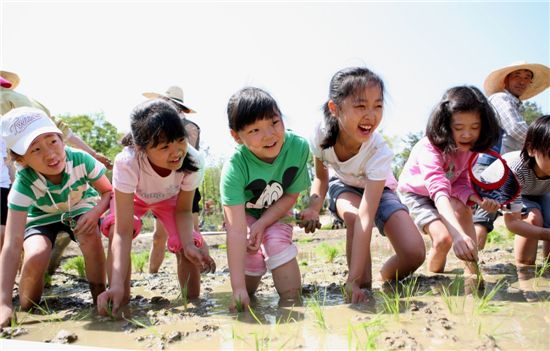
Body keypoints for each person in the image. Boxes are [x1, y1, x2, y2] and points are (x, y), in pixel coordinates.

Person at [299, 67, 425, 303]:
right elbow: (321, 178)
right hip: (344, 186)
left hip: (379, 189)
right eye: (360, 106)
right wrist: (314, 207)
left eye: (377, 106)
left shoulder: (379, 151)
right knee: (354, 220)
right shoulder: (321, 135)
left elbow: (370, 214)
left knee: (414, 253)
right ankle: (359, 280)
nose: (371, 115)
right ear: (335, 109)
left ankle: (383, 277)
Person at [96, 99, 215, 317]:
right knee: (116, 230)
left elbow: (183, 211)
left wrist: (188, 243)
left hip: (170, 199)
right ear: (141, 148)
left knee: (186, 242)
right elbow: (122, 232)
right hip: (135, 197)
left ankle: (193, 303)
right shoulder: (127, 163)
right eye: (164, 147)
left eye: (180, 140)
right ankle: (119, 296)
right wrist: (115, 284)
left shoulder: (193, 161)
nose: (176, 152)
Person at [0, 107, 111, 327]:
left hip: (81, 206)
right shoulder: (24, 184)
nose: (50, 154)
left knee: (90, 235)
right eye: (36, 149)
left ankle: (100, 294)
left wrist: (95, 212)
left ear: (61, 139)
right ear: (21, 160)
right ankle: (28, 308)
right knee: (37, 254)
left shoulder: (80, 160)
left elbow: (108, 192)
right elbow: (12, 244)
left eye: (52, 141)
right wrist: (3, 303)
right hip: (40, 216)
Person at [0, 70, 113, 274]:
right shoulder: (30, 101)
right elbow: (62, 130)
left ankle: (20, 279)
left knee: (14, 231)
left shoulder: (6, 103)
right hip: (38, 179)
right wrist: (91, 152)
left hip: (22, 174)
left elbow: (12, 154)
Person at [220, 87, 311, 311]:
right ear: (236, 136)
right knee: (250, 252)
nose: (269, 135)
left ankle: (293, 307)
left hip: (279, 209)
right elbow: (236, 230)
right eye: (255, 130)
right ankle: (246, 294)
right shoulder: (234, 167)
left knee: (277, 243)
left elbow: (291, 194)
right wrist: (237, 288)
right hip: (245, 214)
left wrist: (264, 222)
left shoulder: (298, 147)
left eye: (274, 122)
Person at [397, 86, 500, 276]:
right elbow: (438, 189)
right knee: (444, 239)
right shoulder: (430, 148)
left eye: (474, 127)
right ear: (445, 125)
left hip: (444, 192)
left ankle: (472, 272)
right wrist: (457, 235)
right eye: (459, 128)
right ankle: (435, 279)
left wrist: (478, 200)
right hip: (416, 193)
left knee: (464, 208)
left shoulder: (471, 150)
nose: (467, 134)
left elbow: (460, 181)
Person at [474, 62, 550, 249]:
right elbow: (516, 130)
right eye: (517, 76)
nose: (522, 81)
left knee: (529, 216)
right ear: (506, 79)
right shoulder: (501, 99)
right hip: (494, 165)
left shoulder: (516, 104)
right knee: (482, 219)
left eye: (527, 78)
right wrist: (541, 139)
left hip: (515, 170)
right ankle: (470, 270)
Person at [484, 116, 550, 298]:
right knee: (534, 219)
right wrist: (547, 234)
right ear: (531, 149)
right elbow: (512, 223)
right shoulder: (514, 169)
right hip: (496, 190)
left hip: (538, 189)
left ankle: (547, 269)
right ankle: (525, 273)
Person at [142, 86, 203, 273]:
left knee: (190, 234)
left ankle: (198, 271)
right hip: (161, 186)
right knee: (158, 236)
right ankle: (152, 274)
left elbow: (185, 158)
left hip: (185, 185)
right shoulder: (155, 126)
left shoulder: (190, 127)